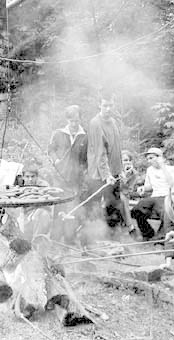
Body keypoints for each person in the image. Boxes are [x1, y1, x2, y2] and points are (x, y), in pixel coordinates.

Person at [83, 93, 123, 231]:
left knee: (114, 204)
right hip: (99, 174)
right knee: (95, 206)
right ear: (99, 105)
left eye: (110, 105)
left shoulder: (113, 122)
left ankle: (113, 236)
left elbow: (117, 148)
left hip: (113, 172)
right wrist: (106, 175)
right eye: (105, 105)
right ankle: (89, 235)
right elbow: (100, 152)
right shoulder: (95, 123)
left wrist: (120, 170)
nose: (108, 108)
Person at [131, 147, 174, 240]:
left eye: (151, 158)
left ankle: (161, 238)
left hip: (168, 196)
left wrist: (163, 166)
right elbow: (149, 186)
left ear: (160, 157)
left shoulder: (172, 169)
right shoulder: (150, 170)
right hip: (154, 197)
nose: (149, 161)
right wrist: (143, 188)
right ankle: (148, 233)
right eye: (148, 158)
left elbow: (173, 184)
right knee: (135, 210)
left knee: (166, 212)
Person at [48, 105, 87, 193]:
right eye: (71, 121)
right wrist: (56, 160)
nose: (74, 124)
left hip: (77, 178)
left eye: (76, 121)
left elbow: (89, 155)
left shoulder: (85, 136)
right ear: (67, 120)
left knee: (76, 201)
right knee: (60, 200)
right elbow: (51, 150)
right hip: (59, 176)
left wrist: (84, 169)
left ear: (81, 119)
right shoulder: (58, 133)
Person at [119, 150, 142, 235]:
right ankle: (130, 226)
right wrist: (123, 175)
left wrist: (127, 175)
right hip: (112, 193)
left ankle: (129, 226)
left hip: (125, 195)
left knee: (123, 198)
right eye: (125, 160)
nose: (127, 162)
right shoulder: (115, 170)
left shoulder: (134, 173)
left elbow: (129, 190)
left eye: (129, 160)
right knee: (122, 198)